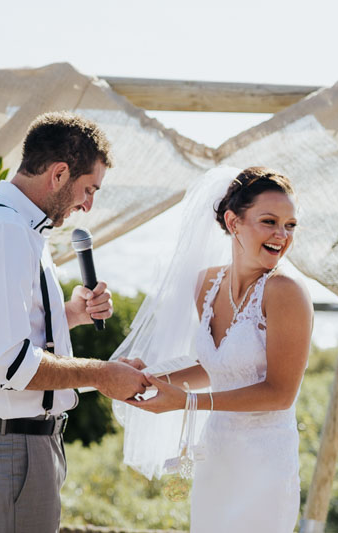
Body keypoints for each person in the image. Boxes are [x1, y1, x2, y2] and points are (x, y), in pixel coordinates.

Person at [0, 111, 150, 533]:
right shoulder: (5, 231)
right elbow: (11, 365)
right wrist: (102, 376)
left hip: (22, 445)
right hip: (9, 449)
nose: (88, 205)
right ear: (59, 173)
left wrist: (68, 314)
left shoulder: (22, 228)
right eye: (88, 189)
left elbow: (14, 333)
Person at [119, 166, 313, 533]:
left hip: (265, 463)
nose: (281, 235)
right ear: (233, 221)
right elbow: (217, 366)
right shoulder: (205, 284)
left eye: (290, 225)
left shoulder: (286, 291)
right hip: (217, 453)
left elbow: (280, 393)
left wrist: (188, 402)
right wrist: (147, 377)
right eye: (269, 221)